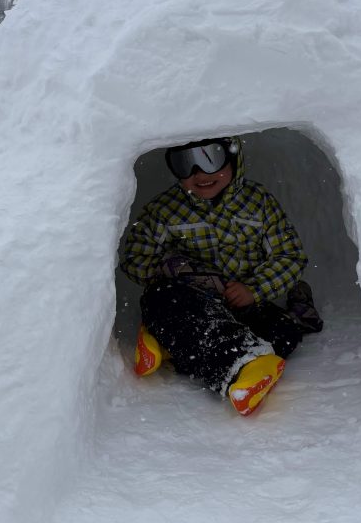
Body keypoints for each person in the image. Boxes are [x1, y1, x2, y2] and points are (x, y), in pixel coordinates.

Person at [119, 137, 323, 417]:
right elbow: (134, 258)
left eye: (210, 158)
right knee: (163, 299)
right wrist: (180, 270)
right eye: (184, 164)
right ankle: (242, 365)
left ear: (233, 158)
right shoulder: (164, 210)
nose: (199, 174)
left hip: (244, 305)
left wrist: (254, 288)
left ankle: (170, 343)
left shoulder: (258, 202)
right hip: (192, 301)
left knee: (284, 331)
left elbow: (290, 255)